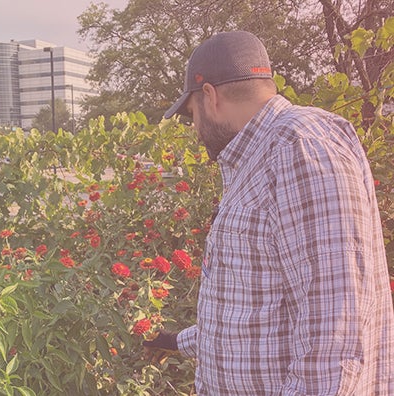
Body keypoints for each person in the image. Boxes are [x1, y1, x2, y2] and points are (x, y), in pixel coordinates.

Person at [144, 31, 394, 395]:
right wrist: (175, 341)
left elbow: (333, 337)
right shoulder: (264, 155)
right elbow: (260, 309)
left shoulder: (299, 150)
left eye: (190, 114)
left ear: (210, 97)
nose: (194, 128)